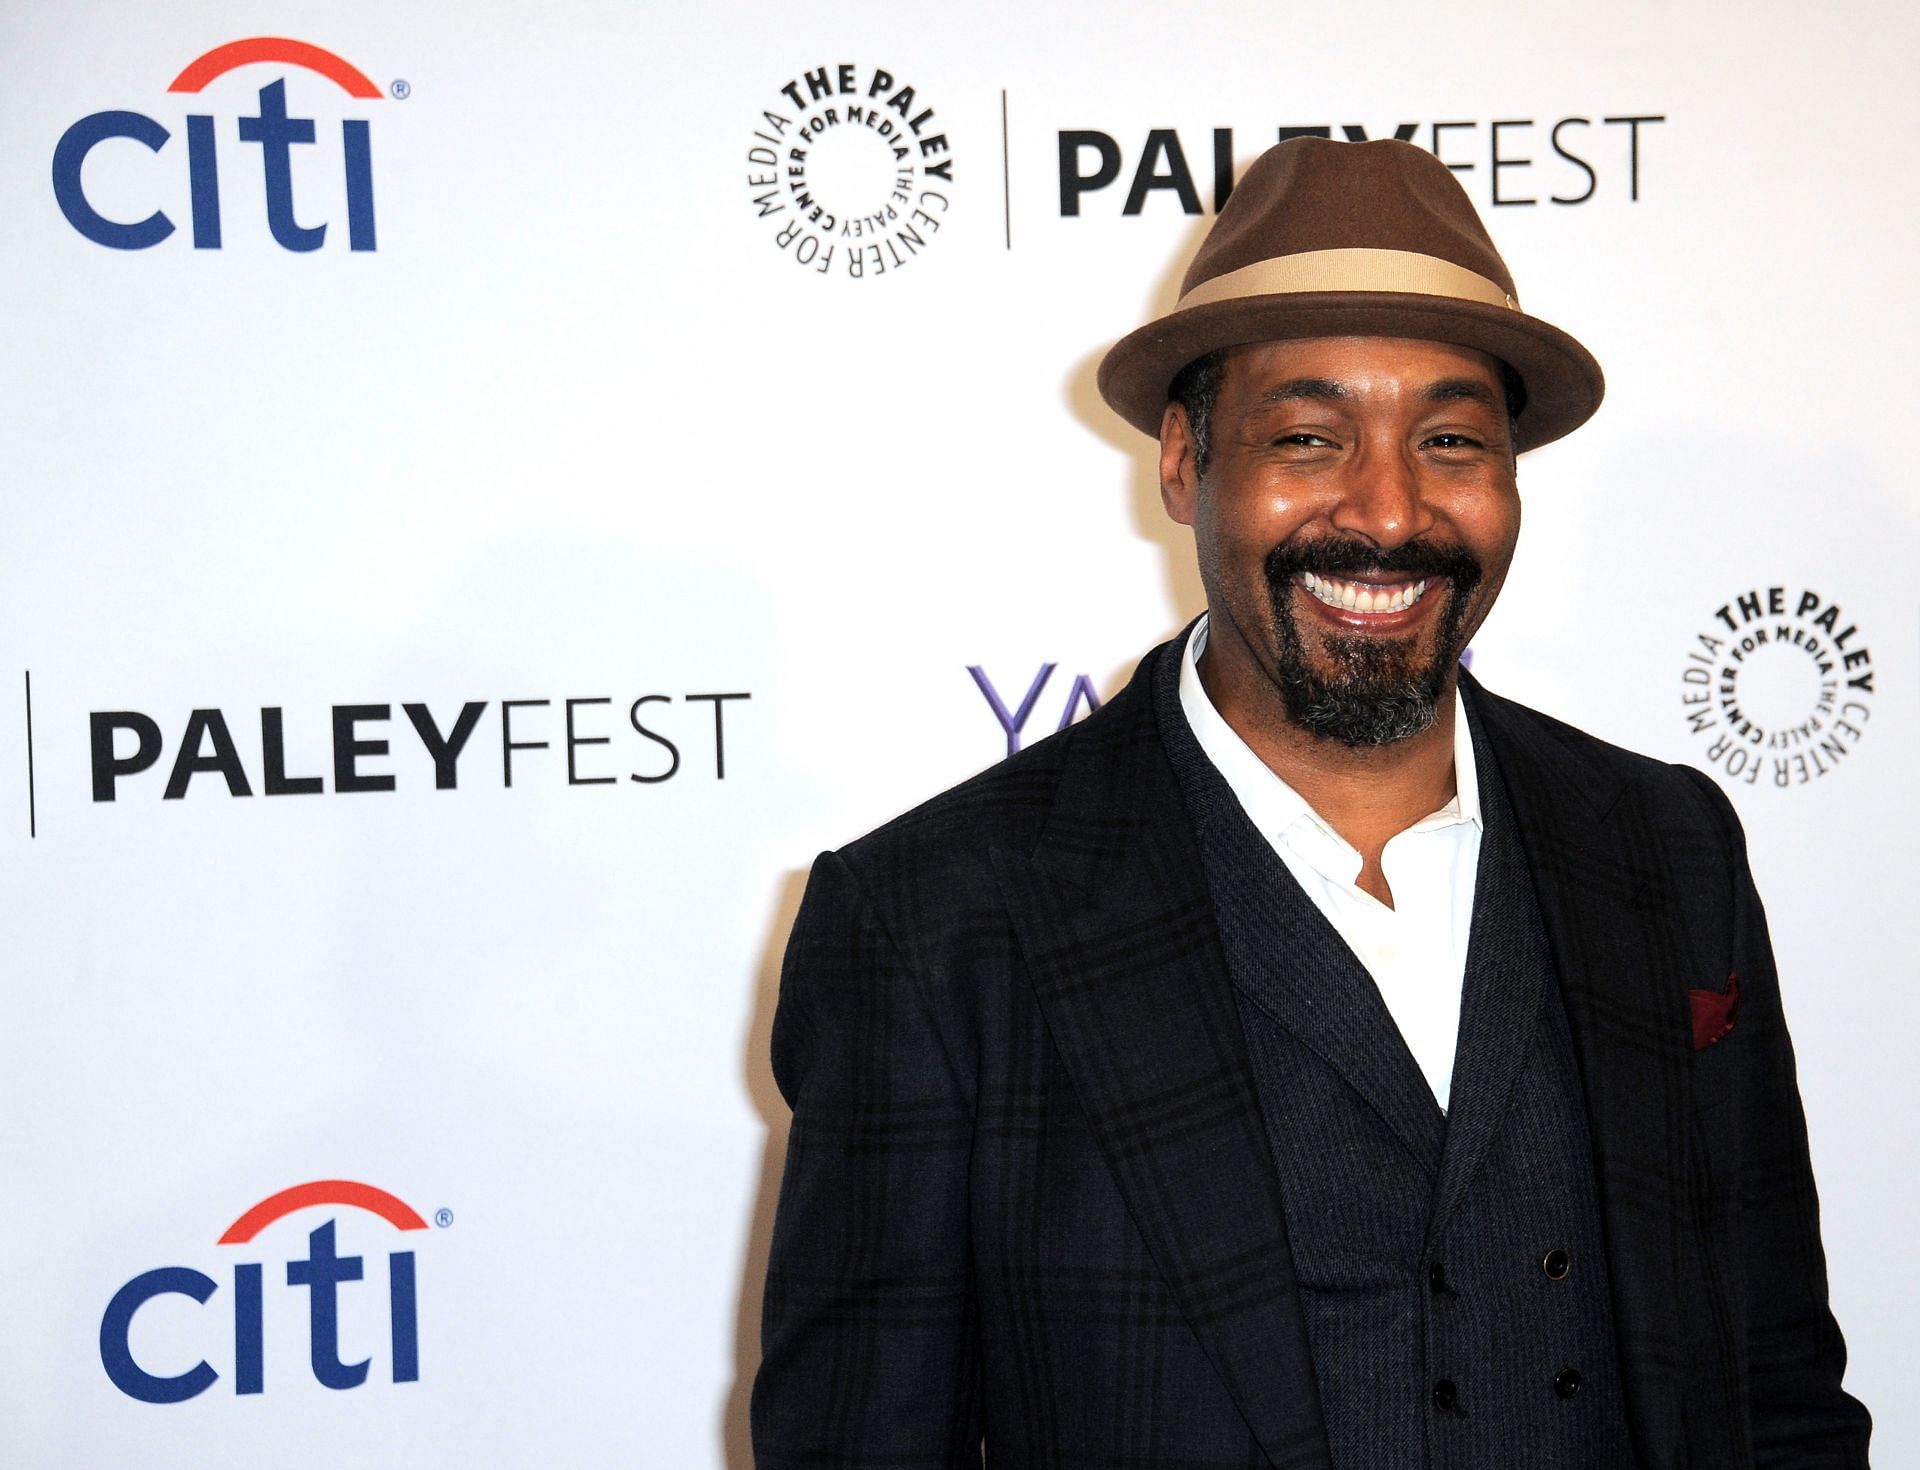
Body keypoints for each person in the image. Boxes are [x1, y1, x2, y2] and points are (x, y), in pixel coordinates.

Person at [749, 138, 1870, 1469]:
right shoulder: (932, 924)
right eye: (1307, 436)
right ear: (1183, 462)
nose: (1389, 509)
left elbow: (1777, 1391)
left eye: (1450, 438)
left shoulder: (1665, 848)